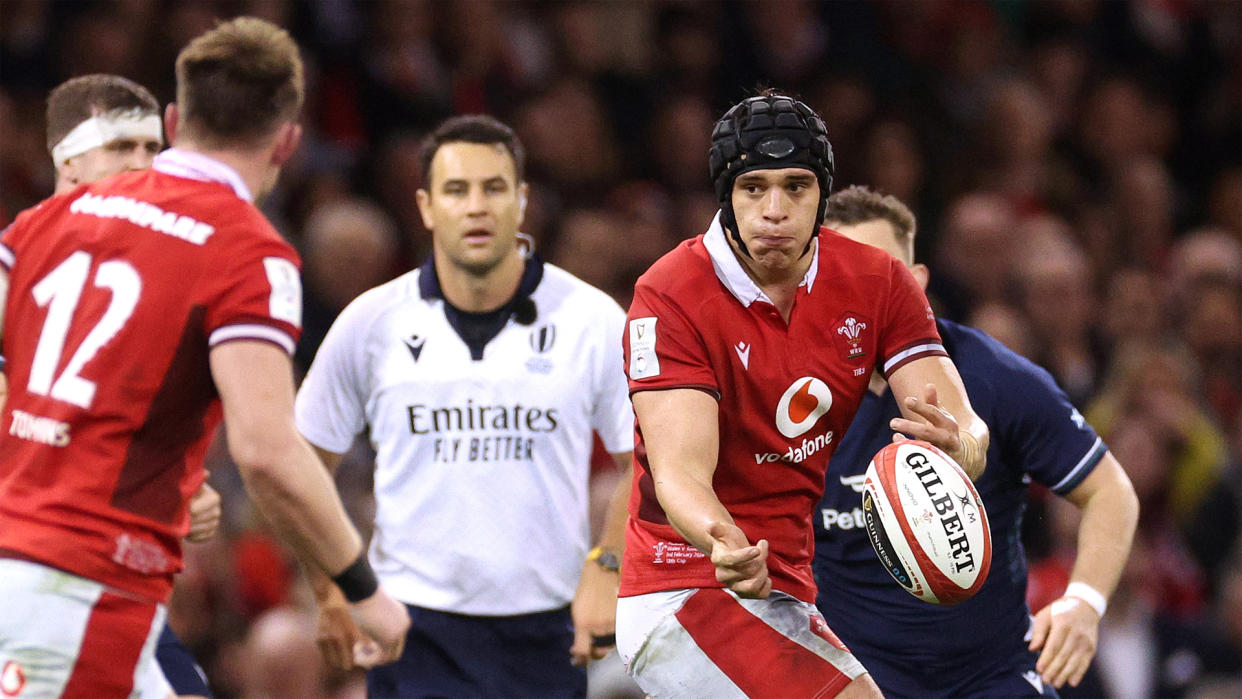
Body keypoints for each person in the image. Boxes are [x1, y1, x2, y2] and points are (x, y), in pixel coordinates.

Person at [0, 17, 409, 697]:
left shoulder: (52, 215)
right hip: (82, 588)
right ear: (288, 142)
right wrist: (361, 587)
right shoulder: (249, 252)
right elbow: (267, 449)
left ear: (172, 119)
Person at [614, 91, 990, 698]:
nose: (775, 210)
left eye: (796, 185)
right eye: (753, 187)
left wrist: (963, 448)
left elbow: (964, 425)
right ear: (725, 196)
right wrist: (719, 539)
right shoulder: (669, 293)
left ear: (822, 195)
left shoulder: (879, 282)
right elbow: (679, 474)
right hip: (684, 588)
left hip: (787, 590)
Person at [294, 114, 634, 698]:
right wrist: (333, 590)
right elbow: (296, 469)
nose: (476, 206)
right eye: (457, 190)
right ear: (425, 207)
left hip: (549, 630)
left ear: (522, 201)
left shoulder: (594, 319)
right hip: (411, 627)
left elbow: (651, 459)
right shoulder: (372, 322)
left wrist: (606, 569)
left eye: (494, 188)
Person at [811, 185, 1140, 698]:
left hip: (993, 677)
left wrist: (1084, 601)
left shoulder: (995, 377)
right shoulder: (789, 399)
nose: (861, 292)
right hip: (857, 683)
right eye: (843, 276)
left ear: (916, 282)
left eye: (881, 274)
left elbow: (1110, 492)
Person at [30, 72, 221, 699]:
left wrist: (178, 489)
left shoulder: (150, 276)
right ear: (68, 160)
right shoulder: (17, 265)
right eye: (121, 149)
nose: (143, 165)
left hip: (110, 579)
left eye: (151, 149)